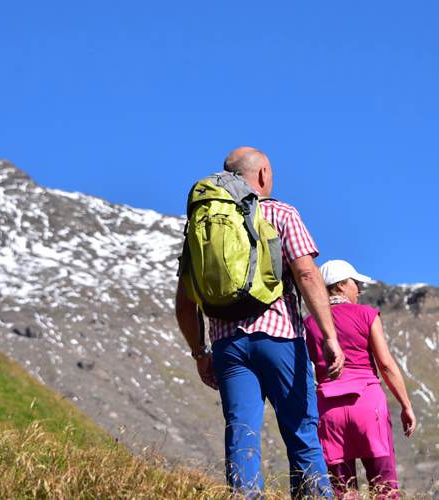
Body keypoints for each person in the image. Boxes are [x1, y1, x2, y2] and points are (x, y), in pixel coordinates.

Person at [175, 146, 346, 498]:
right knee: (301, 431)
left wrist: (199, 353)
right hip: (280, 337)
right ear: (263, 174)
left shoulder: (204, 224)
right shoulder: (281, 213)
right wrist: (329, 335)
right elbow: (307, 275)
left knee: (242, 433)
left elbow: (184, 302)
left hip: (228, 346)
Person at [303, 260, 416, 499]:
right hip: (367, 403)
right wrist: (406, 405)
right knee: (383, 484)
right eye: (356, 283)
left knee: (342, 489)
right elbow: (385, 364)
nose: (360, 290)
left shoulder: (309, 323)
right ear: (342, 285)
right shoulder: (366, 314)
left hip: (328, 409)